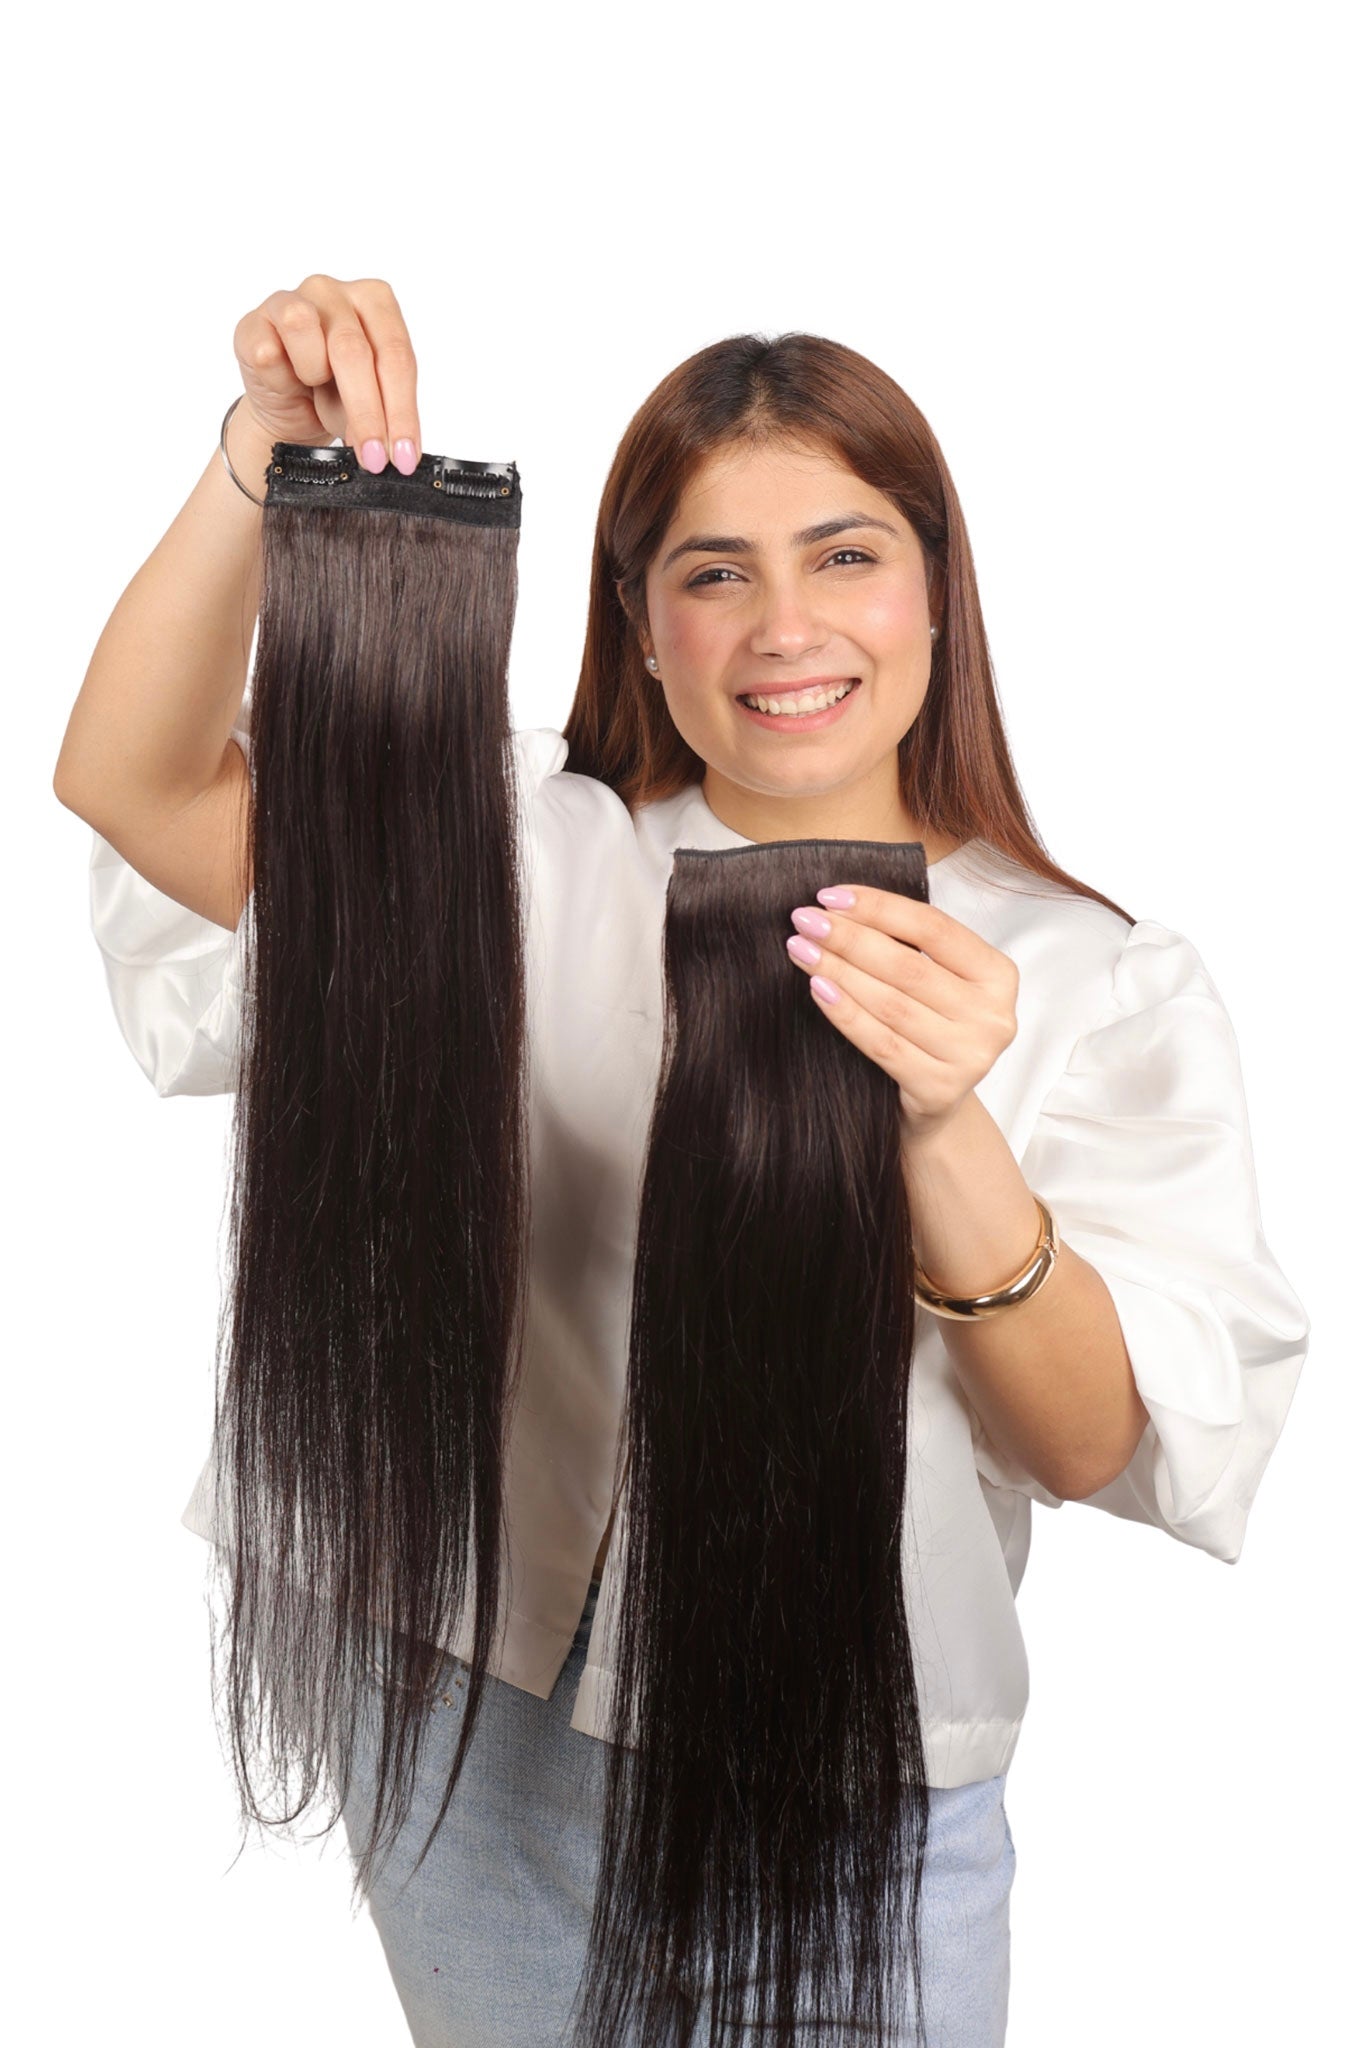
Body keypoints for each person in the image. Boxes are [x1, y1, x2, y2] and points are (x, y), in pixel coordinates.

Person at [53, 276, 1309, 2048]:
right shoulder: (514, 849)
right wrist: (262, 457)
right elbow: (139, 786)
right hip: (466, 1709)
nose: (784, 628)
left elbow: (1092, 1443)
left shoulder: (1097, 980)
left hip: (841, 1771)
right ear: (640, 628)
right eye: (713, 574)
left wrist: (937, 1126)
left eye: (844, 556)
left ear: (934, 592)